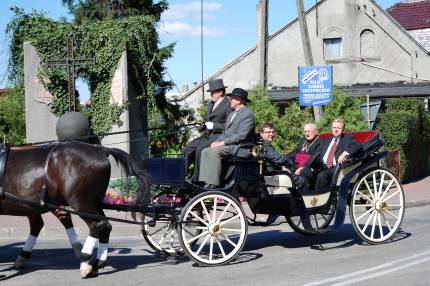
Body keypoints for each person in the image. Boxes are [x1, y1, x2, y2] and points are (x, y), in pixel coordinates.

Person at [198, 88, 256, 188]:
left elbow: (241, 136)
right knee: (205, 151)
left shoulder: (247, 114)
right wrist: (216, 142)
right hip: (230, 145)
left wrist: (222, 143)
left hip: (240, 147)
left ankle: (214, 184)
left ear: (239, 100)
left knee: (214, 152)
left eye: (232, 98)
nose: (230, 100)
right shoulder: (232, 114)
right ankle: (206, 181)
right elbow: (225, 132)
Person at [183, 78, 233, 182]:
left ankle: (196, 179)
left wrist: (214, 126)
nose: (211, 95)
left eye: (212, 92)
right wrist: (201, 126)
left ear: (220, 92)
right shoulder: (210, 104)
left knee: (200, 149)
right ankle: (180, 175)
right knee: (188, 148)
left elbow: (229, 125)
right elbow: (206, 120)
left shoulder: (228, 105)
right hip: (206, 136)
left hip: (218, 136)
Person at [314, 118, 362, 191]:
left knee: (322, 175)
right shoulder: (327, 140)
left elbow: (358, 145)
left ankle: (319, 198)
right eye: (334, 127)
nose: (336, 130)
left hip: (335, 168)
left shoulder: (347, 138)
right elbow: (317, 153)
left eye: (339, 128)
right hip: (321, 166)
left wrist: (345, 153)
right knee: (306, 172)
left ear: (343, 130)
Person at [291, 123, 324, 190]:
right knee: (287, 169)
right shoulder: (303, 140)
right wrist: (285, 160)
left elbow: (315, 157)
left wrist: (303, 167)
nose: (307, 134)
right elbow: (296, 153)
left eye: (309, 131)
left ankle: (304, 194)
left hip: (311, 167)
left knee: (304, 171)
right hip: (298, 165)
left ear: (315, 132)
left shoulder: (321, 142)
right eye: (305, 132)